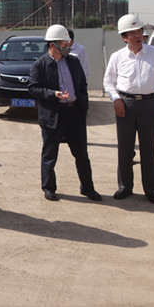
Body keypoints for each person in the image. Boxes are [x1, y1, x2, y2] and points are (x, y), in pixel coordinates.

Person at [103, 14, 154, 204]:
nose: (137, 36)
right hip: (125, 105)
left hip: (149, 104)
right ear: (124, 37)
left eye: (139, 31)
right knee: (125, 148)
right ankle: (125, 187)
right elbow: (108, 81)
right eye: (132, 33)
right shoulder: (118, 57)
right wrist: (116, 98)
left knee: (149, 149)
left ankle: (151, 190)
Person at [29, 24, 101, 202]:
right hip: (53, 115)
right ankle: (49, 188)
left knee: (81, 154)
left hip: (75, 114)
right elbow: (33, 88)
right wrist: (53, 94)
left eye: (68, 42)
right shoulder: (40, 65)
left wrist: (83, 106)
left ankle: (88, 188)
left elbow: (82, 84)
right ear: (52, 45)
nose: (68, 45)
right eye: (64, 43)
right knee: (49, 155)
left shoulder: (74, 62)